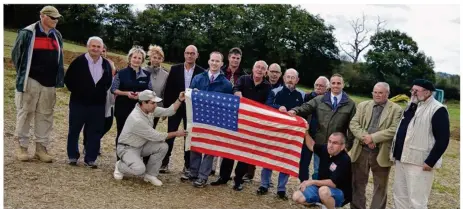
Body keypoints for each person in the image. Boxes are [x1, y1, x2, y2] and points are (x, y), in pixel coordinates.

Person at [11, 6, 64, 162]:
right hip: (31, 80)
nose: (56, 20)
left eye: (57, 18)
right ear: (42, 16)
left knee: (45, 115)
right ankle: (22, 147)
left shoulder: (57, 35)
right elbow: (17, 55)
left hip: (49, 83)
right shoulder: (27, 33)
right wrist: (23, 75)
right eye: (52, 17)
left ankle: (41, 148)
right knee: (25, 112)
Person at [210, 60, 272, 191]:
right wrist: (236, 92)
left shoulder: (267, 87)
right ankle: (223, 177)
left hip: (252, 125)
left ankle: (238, 180)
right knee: (229, 150)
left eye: (262, 68)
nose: (259, 70)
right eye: (257, 67)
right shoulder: (243, 79)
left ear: (265, 72)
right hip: (237, 121)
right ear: (253, 68)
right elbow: (235, 88)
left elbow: (268, 104)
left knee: (245, 153)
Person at [391, 79, 450, 209]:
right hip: (402, 158)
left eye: (416, 91)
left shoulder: (437, 109)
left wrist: (430, 161)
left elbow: (443, 139)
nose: (413, 93)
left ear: (427, 92)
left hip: (419, 162)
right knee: (400, 197)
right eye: (412, 90)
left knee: (417, 201)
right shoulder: (412, 105)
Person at [113, 90, 187, 186]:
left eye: (155, 103)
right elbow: (157, 136)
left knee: (163, 147)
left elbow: (169, 111)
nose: (155, 105)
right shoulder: (137, 119)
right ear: (143, 103)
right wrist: (176, 133)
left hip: (141, 145)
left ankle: (150, 175)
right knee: (139, 170)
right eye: (153, 103)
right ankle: (120, 166)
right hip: (127, 148)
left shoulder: (149, 110)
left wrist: (179, 100)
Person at [181, 51, 233, 187]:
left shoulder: (226, 84)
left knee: (210, 148)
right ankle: (193, 172)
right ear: (208, 62)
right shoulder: (198, 78)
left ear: (222, 64)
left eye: (218, 61)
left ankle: (203, 176)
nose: (215, 63)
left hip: (215, 120)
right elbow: (189, 96)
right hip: (197, 117)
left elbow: (227, 105)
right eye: (212, 60)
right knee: (196, 144)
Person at [349, 82, 403, 209]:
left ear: (387, 94)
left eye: (381, 92)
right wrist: (366, 138)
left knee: (380, 186)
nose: (377, 95)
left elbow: (394, 129)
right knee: (357, 183)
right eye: (375, 92)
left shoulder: (396, 109)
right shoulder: (363, 105)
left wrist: (373, 138)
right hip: (361, 150)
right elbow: (354, 124)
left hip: (381, 152)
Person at [258, 68, 306, 200]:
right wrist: (277, 107)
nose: (290, 79)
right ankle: (264, 185)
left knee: (286, 160)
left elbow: (304, 111)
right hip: (275, 131)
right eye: (288, 77)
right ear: (284, 78)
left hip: (291, 134)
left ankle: (281, 189)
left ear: (297, 80)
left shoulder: (302, 95)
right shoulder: (275, 91)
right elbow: (267, 105)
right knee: (269, 157)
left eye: (293, 77)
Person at [64, 36, 112, 168]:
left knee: (95, 131)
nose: (95, 49)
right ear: (88, 46)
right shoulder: (78, 62)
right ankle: (73, 156)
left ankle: (90, 158)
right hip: (78, 103)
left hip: (97, 105)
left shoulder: (106, 64)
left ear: (102, 49)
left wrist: (98, 93)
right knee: (74, 129)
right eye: (93, 46)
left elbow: (108, 82)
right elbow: (68, 80)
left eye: (98, 47)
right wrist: (80, 92)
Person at [162, 45, 205, 174]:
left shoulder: (202, 72)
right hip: (176, 105)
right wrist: (167, 108)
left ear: (197, 55)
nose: (190, 55)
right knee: (170, 134)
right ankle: (164, 163)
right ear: (184, 54)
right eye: (187, 53)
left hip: (192, 109)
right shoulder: (175, 69)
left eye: (192, 53)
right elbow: (168, 90)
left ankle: (187, 165)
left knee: (189, 136)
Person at [287, 74, 356, 150]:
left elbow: (352, 127)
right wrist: (295, 110)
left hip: (338, 146)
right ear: (329, 85)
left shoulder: (350, 104)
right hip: (320, 144)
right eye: (333, 83)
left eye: (338, 83)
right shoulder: (319, 99)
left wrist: (347, 146)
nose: (336, 85)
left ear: (343, 85)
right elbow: (306, 107)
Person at [111, 46, 152, 160]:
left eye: (139, 58)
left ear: (142, 60)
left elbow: (150, 92)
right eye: (134, 57)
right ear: (130, 58)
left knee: (137, 134)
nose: (136, 60)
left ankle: (133, 159)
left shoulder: (147, 75)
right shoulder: (121, 73)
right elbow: (113, 89)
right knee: (122, 133)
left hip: (139, 110)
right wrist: (126, 93)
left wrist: (140, 95)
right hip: (122, 108)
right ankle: (120, 159)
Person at [292, 132, 352, 208]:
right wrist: (306, 133)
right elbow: (311, 145)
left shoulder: (345, 160)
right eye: (329, 141)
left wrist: (311, 182)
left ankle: (331, 206)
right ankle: (320, 203)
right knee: (296, 196)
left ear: (342, 146)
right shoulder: (325, 148)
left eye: (335, 143)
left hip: (339, 192)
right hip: (320, 188)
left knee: (323, 191)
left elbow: (333, 183)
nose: (330, 145)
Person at [83, 44, 117, 155]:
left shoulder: (110, 64)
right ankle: (88, 144)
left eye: (104, 50)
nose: (101, 52)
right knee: (91, 123)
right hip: (94, 97)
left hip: (108, 97)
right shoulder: (87, 62)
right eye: (100, 50)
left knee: (108, 123)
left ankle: (93, 141)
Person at [142, 44, 169, 167]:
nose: (156, 60)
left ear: (162, 59)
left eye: (159, 58)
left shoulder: (166, 75)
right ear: (150, 58)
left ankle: (146, 158)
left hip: (156, 108)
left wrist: (164, 110)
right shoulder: (142, 71)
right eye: (154, 57)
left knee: (151, 132)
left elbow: (165, 93)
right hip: (142, 108)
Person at [300, 76, 330, 181]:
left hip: (321, 137)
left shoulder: (330, 100)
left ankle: (317, 188)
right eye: (316, 85)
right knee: (303, 163)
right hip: (307, 134)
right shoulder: (307, 97)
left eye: (321, 86)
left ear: (327, 88)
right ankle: (303, 185)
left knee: (319, 166)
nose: (318, 87)